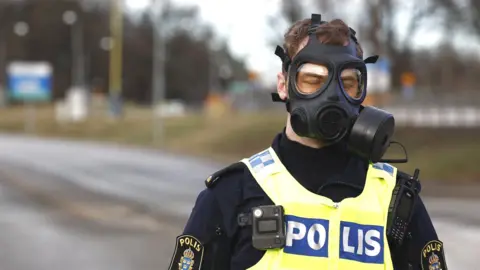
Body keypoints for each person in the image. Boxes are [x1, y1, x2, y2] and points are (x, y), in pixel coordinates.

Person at [168, 14, 447, 270]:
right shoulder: (233, 194)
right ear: (283, 85)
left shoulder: (397, 200)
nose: (333, 96)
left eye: (348, 83)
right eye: (313, 80)